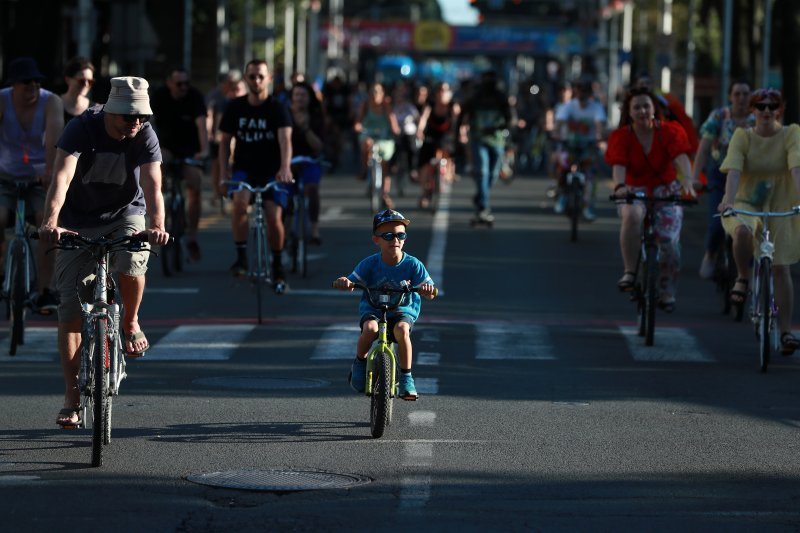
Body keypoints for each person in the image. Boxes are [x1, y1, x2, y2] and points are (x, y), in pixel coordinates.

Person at [38, 76, 170, 427]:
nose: (136, 122)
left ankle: (130, 321)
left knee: (131, 260)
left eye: (142, 116)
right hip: (77, 220)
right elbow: (61, 178)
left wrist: (156, 225)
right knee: (69, 310)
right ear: (111, 111)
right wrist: (51, 221)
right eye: (129, 116)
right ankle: (71, 396)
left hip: (125, 214)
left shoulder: (144, 135)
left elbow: (154, 185)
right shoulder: (80, 129)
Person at [719, 88, 800, 354]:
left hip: (781, 201)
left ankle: (786, 331)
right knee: (742, 231)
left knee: (781, 267)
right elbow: (733, 171)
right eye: (760, 106)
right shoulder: (742, 136)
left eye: (772, 106)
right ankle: (742, 277)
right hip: (746, 200)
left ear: (780, 109)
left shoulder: (791, 133)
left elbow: (796, 168)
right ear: (752, 111)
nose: (766, 110)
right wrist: (729, 202)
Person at [606, 87, 696, 312]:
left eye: (646, 105)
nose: (642, 111)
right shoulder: (622, 136)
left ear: (654, 109)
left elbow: (681, 157)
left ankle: (667, 291)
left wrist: (687, 181)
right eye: (636, 107)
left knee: (669, 241)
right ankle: (630, 272)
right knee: (632, 214)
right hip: (634, 189)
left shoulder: (670, 131)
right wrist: (619, 186)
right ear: (629, 112)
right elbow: (618, 167)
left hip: (666, 190)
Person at [333, 209, 436, 400]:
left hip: (402, 309)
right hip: (373, 308)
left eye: (400, 235)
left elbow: (429, 291)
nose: (394, 240)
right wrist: (344, 282)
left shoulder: (413, 265)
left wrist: (428, 290)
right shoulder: (370, 264)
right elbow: (351, 282)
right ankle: (360, 362)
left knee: (402, 330)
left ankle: (406, 377)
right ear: (376, 239)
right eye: (388, 235)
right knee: (370, 329)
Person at [218, 59, 293, 293]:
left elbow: (285, 140)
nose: (256, 81)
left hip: (272, 171)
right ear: (246, 78)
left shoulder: (277, 107)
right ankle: (241, 256)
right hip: (245, 169)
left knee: (273, 216)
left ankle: (278, 263)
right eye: (252, 76)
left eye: (261, 76)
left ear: (268, 79)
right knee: (239, 203)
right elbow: (225, 141)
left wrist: (284, 167)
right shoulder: (235, 107)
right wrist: (223, 171)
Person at [0, 56, 64, 313]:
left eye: (37, 83)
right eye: (26, 84)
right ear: (13, 85)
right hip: (5, 175)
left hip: (40, 176)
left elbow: (55, 138)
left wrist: (49, 170)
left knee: (47, 225)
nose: (33, 89)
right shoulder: (2, 99)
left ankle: (45, 290)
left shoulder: (51, 102)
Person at [693, 80, 754, 279]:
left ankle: (749, 268)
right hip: (720, 175)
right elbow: (703, 148)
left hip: (748, 177)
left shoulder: (756, 119)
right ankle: (710, 254)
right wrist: (695, 177)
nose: (741, 98)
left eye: (745, 93)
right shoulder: (719, 116)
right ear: (730, 96)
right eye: (737, 94)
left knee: (752, 223)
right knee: (718, 222)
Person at [149, 68, 208, 262]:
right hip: (166, 146)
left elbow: (201, 125)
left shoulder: (195, 97)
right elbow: (148, 121)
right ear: (169, 83)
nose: (183, 87)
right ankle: (164, 200)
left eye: (186, 83)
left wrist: (204, 150)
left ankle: (192, 235)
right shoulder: (159, 96)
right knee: (159, 165)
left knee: (195, 183)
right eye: (179, 83)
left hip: (190, 148)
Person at [458, 70, 511, 222]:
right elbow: (463, 115)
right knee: (482, 171)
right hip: (478, 139)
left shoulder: (501, 97)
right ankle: (483, 207)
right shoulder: (475, 97)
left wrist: (496, 128)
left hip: (497, 141)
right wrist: (458, 136)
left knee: (493, 174)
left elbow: (510, 118)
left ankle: (481, 195)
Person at [553, 79, 607, 221]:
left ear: (589, 93)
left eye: (584, 90)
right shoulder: (568, 107)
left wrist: (600, 137)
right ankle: (562, 195)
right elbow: (559, 123)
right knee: (562, 166)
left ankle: (587, 206)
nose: (581, 93)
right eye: (579, 90)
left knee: (590, 176)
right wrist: (556, 133)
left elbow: (600, 124)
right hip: (569, 144)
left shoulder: (596, 108)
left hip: (588, 146)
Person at [353, 82, 399, 209]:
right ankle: (364, 168)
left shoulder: (386, 106)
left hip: (384, 138)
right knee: (366, 143)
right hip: (369, 135)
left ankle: (385, 194)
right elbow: (358, 121)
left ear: (382, 94)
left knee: (385, 165)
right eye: (373, 92)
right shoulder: (365, 105)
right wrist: (358, 126)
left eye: (378, 92)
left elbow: (393, 122)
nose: (375, 95)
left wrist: (395, 129)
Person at [289, 80, 325, 244]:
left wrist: (305, 129)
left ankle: (314, 229)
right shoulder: (285, 115)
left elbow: (318, 146)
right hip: (288, 162)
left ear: (309, 98)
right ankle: (286, 230)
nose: (300, 98)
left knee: (312, 188)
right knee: (285, 194)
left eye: (303, 95)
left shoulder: (316, 116)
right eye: (297, 95)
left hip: (310, 160)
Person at [416, 81, 460, 208]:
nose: (442, 93)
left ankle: (449, 172)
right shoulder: (430, 104)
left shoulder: (453, 106)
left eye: (445, 90)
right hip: (431, 135)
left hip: (446, 136)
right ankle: (424, 192)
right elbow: (423, 118)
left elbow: (458, 122)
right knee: (425, 162)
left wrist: (461, 132)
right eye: (440, 90)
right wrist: (419, 130)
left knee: (449, 152)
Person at [206, 69, 245, 207]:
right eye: (229, 82)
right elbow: (212, 116)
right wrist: (211, 133)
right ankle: (217, 191)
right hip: (221, 135)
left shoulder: (243, 99)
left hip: (238, 138)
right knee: (217, 162)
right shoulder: (218, 97)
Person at [60, 56, 95, 125]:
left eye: (90, 81)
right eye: (82, 81)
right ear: (68, 80)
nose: (86, 85)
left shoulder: (94, 110)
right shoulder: (54, 104)